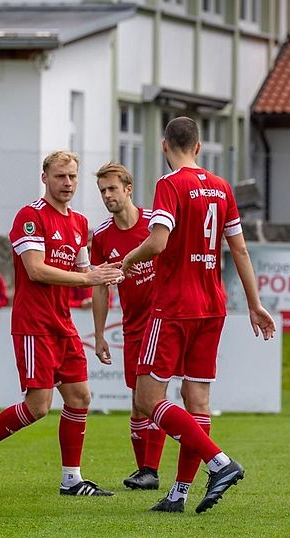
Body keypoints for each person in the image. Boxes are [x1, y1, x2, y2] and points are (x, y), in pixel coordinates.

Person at [121, 117, 275, 513]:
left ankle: (220, 462)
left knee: (148, 396)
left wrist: (126, 259)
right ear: (200, 146)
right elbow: (239, 250)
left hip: (173, 306)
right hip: (213, 306)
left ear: (164, 145)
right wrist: (256, 304)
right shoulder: (222, 188)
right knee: (197, 399)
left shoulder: (169, 184)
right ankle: (179, 494)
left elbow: (156, 243)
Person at [0, 150, 123, 498]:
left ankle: (71, 479)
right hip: (34, 324)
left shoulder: (78, 223)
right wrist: (89, 278)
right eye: (60, 176)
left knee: (79, 397)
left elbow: (82, 273)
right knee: (38, 406)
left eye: (73, 177)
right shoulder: (30, 217)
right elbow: (36, 269)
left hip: (62, 323)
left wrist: (103, 276)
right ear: (45, 177)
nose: (68, 183)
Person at [90, 162, 165, 491]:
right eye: (103, 190)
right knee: (137, 401)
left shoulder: (154, 224)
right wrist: (99, 334)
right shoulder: (103, 236)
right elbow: (100, 286)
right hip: (133, 326)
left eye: (113, 189)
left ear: (128, 189)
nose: (107, 195)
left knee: (152, 398)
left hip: (162, 320)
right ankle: (144, 471)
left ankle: (152, 468)